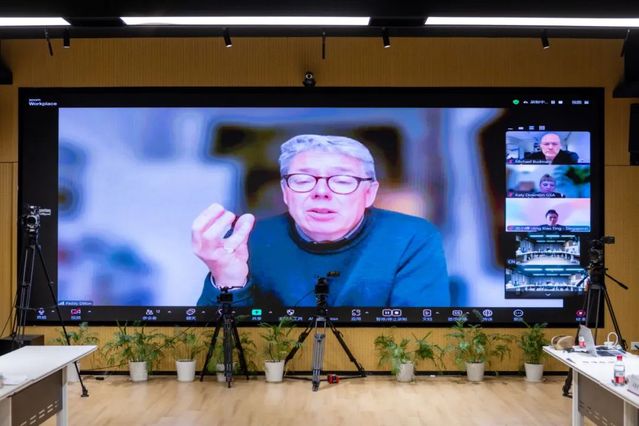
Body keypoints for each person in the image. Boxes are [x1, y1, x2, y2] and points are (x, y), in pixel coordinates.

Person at [192, 134, 450, 307]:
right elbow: (214, 350)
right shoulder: (249, 241)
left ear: (369, 193)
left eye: (342, 181)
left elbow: (420, 340)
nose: (321, 191)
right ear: (286, 192)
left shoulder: (411, 237)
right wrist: (228, 279)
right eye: (303, 180)